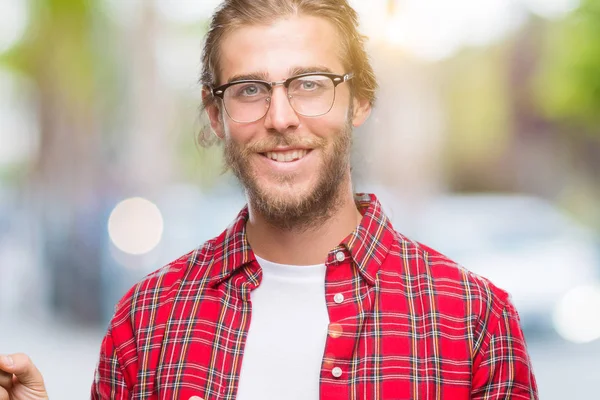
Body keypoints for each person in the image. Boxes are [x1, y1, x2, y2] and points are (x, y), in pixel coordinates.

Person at [1, 0, 539, 399]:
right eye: (250, 90)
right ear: (216, 116)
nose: (280, 118)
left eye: (309, 83)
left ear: (360, 101)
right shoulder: (147, 322)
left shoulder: (473, 321)